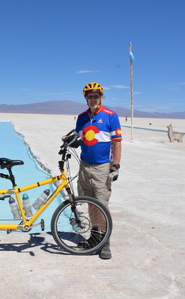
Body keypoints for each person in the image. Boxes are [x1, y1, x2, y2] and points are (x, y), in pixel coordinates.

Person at [72, 82, 122, 260]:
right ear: (86, 98)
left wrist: (115, 166)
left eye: (96, 96)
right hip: (85, 165)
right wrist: (68, 138)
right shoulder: (82, 117)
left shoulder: (110, 116)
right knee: (90, 203)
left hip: (102, 166)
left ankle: (105, 243)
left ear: (101, 97)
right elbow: (79, 137)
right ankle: (95, 239)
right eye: (90, 96)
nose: (93, 99)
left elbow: (116, 143)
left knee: (102, 204)